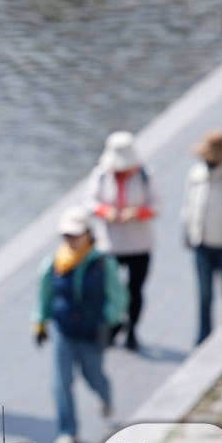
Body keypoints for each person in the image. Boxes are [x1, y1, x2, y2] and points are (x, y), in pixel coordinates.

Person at [33, 206, 124, 443]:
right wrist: (39, 321)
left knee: (92, 375)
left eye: (76, 235)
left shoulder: (102, 262)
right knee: (61, 382)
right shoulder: (54, 263)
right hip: (63, 331)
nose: (72, 240)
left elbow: (118, 297)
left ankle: (105, 398)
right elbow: (45, 294)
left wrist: (107, 319)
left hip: (91, 332)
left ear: (88, 233)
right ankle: (68, 431)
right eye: (67, 236)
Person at [84, 130, 156, 350]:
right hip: (111, 243)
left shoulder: (145, 175)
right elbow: (89, 202)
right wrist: (106, 211)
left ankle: (132, 330)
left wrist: (137, 213)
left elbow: (157, 205)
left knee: (135, 290)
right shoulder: (102, 175)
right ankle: (113, 326)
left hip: (139, 243)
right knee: (110, 289)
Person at [180, 129, 222, 344]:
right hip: (203, 243)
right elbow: (188, 205)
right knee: (204, 295)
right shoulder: (196, 175)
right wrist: (187, 232)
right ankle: (203, 339)